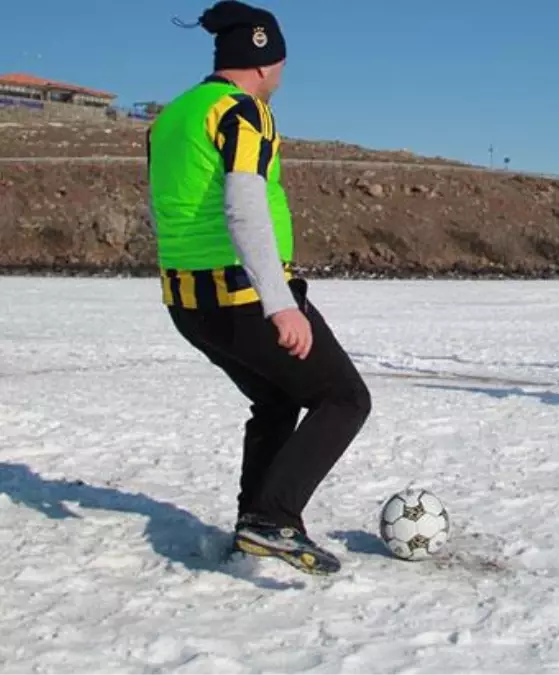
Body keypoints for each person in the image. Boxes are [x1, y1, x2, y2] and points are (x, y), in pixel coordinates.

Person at [147, 0, 371, 574]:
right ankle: (274, 519)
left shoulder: (171, 116)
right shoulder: (242, 112)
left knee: (275, 398)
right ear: (267, 62)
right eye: (282, 68)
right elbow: (244, 206)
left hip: (188, 304)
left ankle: (254, 526)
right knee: (343, 399)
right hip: (243, 297)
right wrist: (280, 304)